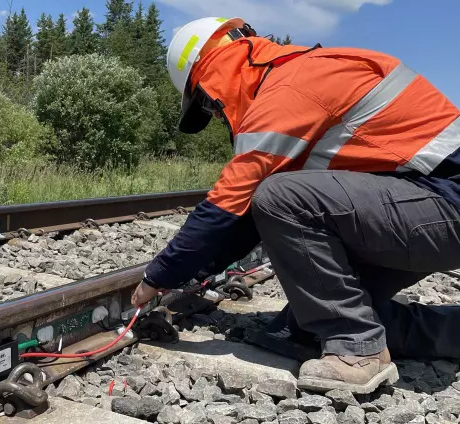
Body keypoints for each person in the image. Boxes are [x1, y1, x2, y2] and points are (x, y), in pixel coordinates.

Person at [131, 16, 460, 394]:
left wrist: (159, 275)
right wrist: (190, 273)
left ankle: (357, 350)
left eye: (208, 106)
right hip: (424, 209)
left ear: (211, 81)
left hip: (444, 205)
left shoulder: (288, 89)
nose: (217, 115)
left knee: (279, 195)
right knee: (304, 325)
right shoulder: (300, 73)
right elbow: (244, 221)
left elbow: (228, 206)